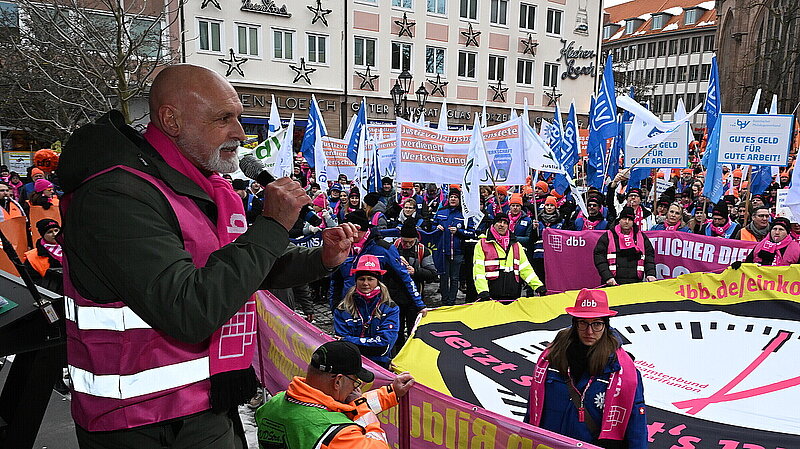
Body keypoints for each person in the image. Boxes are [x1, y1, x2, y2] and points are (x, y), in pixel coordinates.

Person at [58, 64, 356, 448]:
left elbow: (244, 267)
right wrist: (272, 225)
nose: (240, 132)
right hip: (139, 420)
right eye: (223, 119)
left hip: (205, 400)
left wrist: (321, 259)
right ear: (172, 120)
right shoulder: (117, 195)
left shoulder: (206, 185)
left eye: (238, 117)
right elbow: (189, 309)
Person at [525, 289, 647, 448]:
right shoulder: (550, 360)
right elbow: (532, 412)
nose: (589, 331)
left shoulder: (622, 372)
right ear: (574, 323)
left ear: (605, 325)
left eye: (597, 324)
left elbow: (636, 427)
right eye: (583, 323)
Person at [256, 341, 414, 449]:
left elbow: (338, 408)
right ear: (338, 381)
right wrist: (361, 408)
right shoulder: (337, 434)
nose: (355, 388)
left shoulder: (275, 403)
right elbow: (379, 445)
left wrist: (391, 392)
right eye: (355, 382)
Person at [329, 210, 424, 313]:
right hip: (349, 306)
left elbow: (404, 276)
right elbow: (336, 280)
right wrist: (334, 307)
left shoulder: (384, 249)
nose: (347, 236)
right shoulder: (342, 247)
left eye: (349, 232)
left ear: (359, 230)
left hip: (377, 308)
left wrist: (419, 305)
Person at [333, 255, 400, 368]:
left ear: (378, 281)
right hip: (351, 365)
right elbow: (343, 347)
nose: (365, 283)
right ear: (356, 281)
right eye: (361, 279)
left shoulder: (390, 308)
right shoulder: (342, 309)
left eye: (370, 279)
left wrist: (349, 340)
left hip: (380, 366)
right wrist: (369, 344)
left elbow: (383, 347)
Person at [474, 213, 543, 301]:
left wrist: (538, 286)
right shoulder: (482, 244)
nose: (502, 225)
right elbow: (478, 270)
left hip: (513, 293)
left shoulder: (516, 245)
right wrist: (482, 291)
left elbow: (525, 268)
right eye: (499, 222)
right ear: (493, 224)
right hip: (490, 295)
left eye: (505, 223)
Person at [393, 221, 437, 348]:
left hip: (414, 298)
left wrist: (415, 271)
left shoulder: (423, 251)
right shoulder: (393, 248)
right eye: (404, 242)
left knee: (413, 331)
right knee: (396, 331)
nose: (407, 245)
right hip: (394, 297)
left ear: (416, 239)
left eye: (410, 242)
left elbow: (432, 274)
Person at [593, 206, 656, 286]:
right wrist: (607, 277)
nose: (627, 222)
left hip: (635, 283)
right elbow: (599, 257)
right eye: (624, 219)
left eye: (630, 219)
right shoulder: (608, 236)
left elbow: (649, 257)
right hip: (613, 282)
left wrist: (650, 274)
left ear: (633, 221)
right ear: (619, 220)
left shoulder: (642, 237)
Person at [433, 188, 475, 306]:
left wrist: (458, 231)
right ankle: (444, 301)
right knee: (443, 276)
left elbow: (472, 232)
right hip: (442, 250)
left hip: (457, 251)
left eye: (455, 197)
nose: (453, 199)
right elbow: (432, 226)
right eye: (451, 197)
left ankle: (452, 301)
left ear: (459, 199)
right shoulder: (441, 211)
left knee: (455, 277)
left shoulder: (465, 214)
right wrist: (436, 228)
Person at [24, 218, 63, 294]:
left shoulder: (72, 248)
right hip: (51, 294)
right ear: (43, 235)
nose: (54, 234)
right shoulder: (32, 257)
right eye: (49, 232)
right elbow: (31, 281)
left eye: (56, 230)